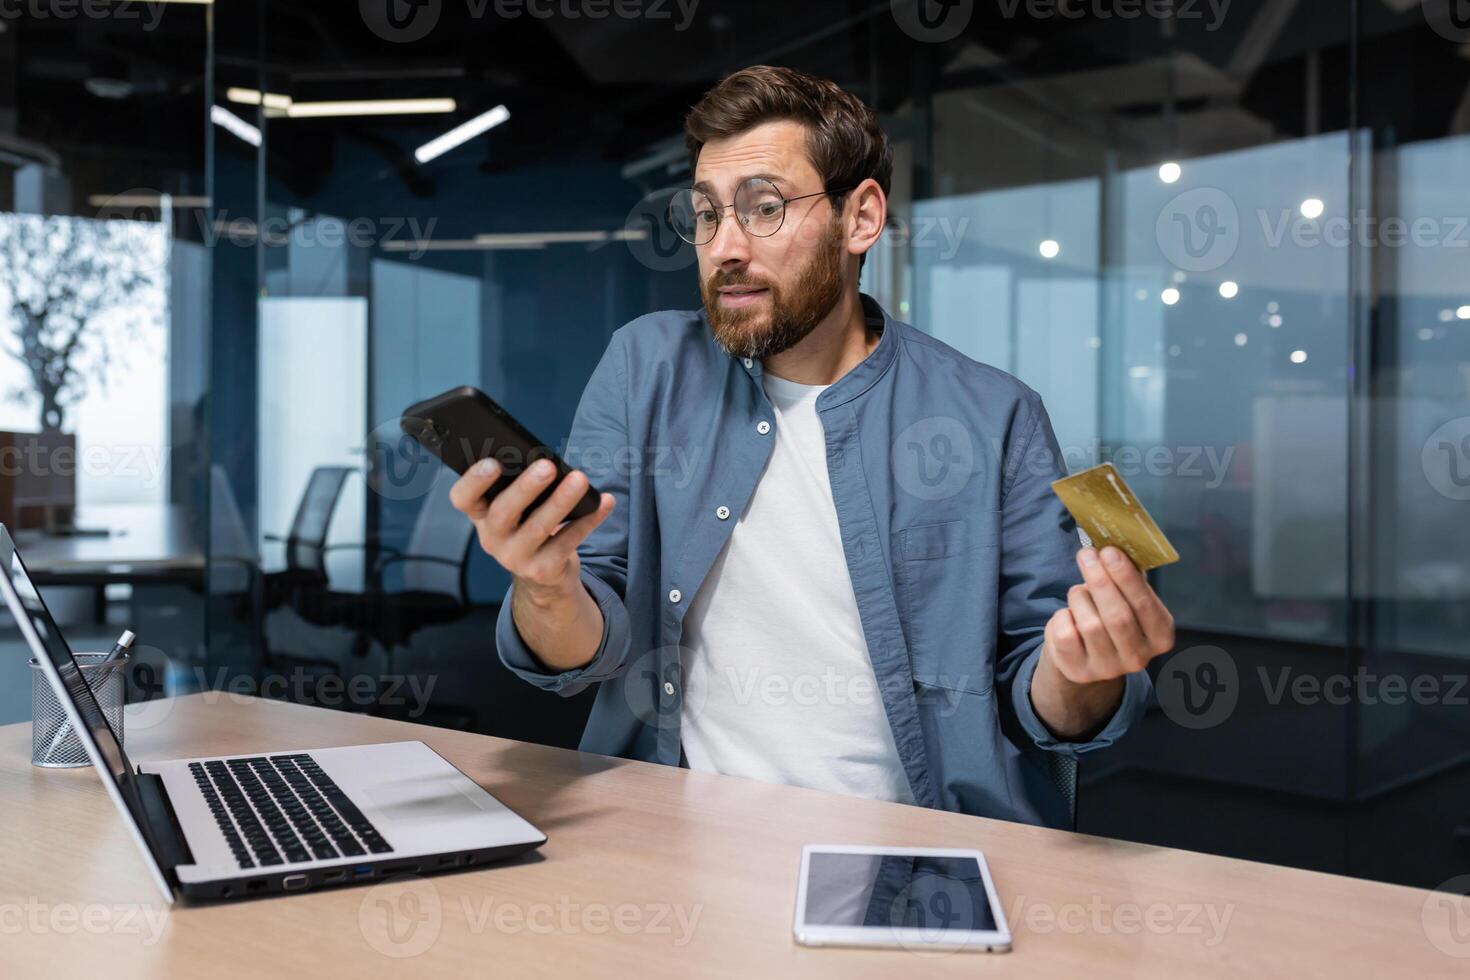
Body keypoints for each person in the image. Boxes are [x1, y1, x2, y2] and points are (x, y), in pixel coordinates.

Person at [450, 65, 1174, 828]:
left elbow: (1049, 695)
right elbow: (579, 646)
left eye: (764, 208)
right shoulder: (645, 368)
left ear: (860, 218)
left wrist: (1079, 669)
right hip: (678, 833)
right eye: (705, 215)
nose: (724, 246)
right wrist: (547, 586)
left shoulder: (995, 415)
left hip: (917, 851)